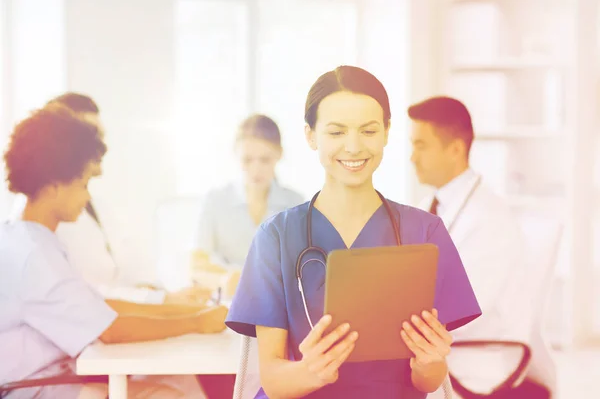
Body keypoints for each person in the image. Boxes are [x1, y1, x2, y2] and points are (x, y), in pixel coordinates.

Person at [225, 66, 482, 398]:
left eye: (368, 130)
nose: (354, 146)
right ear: (310, 136)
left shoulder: (425, 232)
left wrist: (429, 362)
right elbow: (273, 380)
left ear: (387, 133)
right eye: (336, 132)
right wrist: (309, 371)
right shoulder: (275, 237)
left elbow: (429, 381)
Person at [0, 105, 227, 399]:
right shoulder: (34, 256)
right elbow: (110, 328)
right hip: (33, 390)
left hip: (54, 378)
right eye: (83, 184)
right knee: (169, 394)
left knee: (178, 383)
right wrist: (196, 323)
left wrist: (191, 310)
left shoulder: (32, 241)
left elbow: (102, 306)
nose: (88, 195)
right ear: (55, 186)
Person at [9, 92, 210, 306]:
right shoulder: (38, 219)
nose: (99, 147)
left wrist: (159, 295)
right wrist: (165, 304)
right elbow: (85, 299)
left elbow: (131, 268)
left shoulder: (94, 205)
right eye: (90, 136)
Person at [408, 96, 548, 396]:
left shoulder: (489, 218)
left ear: (456, 149)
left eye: (421, 146)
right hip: (443, 345)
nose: (412, 157)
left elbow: (462, 310)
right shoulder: (430, 205)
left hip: (479, 356)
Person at [191, 114, 304, 296]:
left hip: (278, 302)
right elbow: (196, 268)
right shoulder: (216, 200)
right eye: (247, 160)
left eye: (265, 160)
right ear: (235, 154)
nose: (256, 169)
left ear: (279, 154)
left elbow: (304, 266)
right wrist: (225, 280)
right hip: (228, 303)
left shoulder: (296, 204)